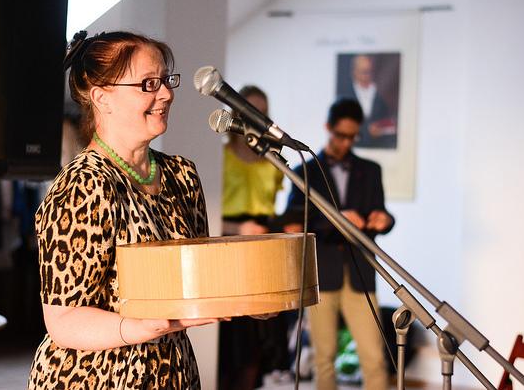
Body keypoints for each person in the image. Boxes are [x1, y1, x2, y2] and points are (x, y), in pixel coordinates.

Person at [27, 30, 218, 389]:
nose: (166, 94)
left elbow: (197, 278)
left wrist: (251, 295)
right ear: (102, 98)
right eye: (148, 84)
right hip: (97, 376)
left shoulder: (182, 174)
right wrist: (140, 328)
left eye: (166, 80)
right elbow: (63, 320)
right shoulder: (83, 186)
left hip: (173, 372)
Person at [283, 98, 394, 390]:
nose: (346, 142)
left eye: (353, 136)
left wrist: (384, 220)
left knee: (374, 357)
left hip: (361, 272)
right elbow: (293, 222)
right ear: (328, 127)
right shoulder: (305, 171)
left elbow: (381, 212)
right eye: (341, 135)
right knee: (324, 358)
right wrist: (336, 219)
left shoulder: (371, 170)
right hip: (321, 273)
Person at [218, 85, 291, 389]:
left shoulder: (272, 160)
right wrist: (238, 230)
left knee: (258, 341)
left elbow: (273, 211)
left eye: (261, 111)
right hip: (227, 246)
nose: (255, 117)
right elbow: (208, 214)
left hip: (262, 248)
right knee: (231, 340)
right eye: (249, 110)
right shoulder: (221, 157)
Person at [338, 55, 397, 149]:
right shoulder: (344, 94)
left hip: (378, 146)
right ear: (354, 72)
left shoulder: (380, 93)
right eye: (364, 72)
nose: (368, 76)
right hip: (352, 147)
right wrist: (366, 131)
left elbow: (386, 118)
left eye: (370, 72)